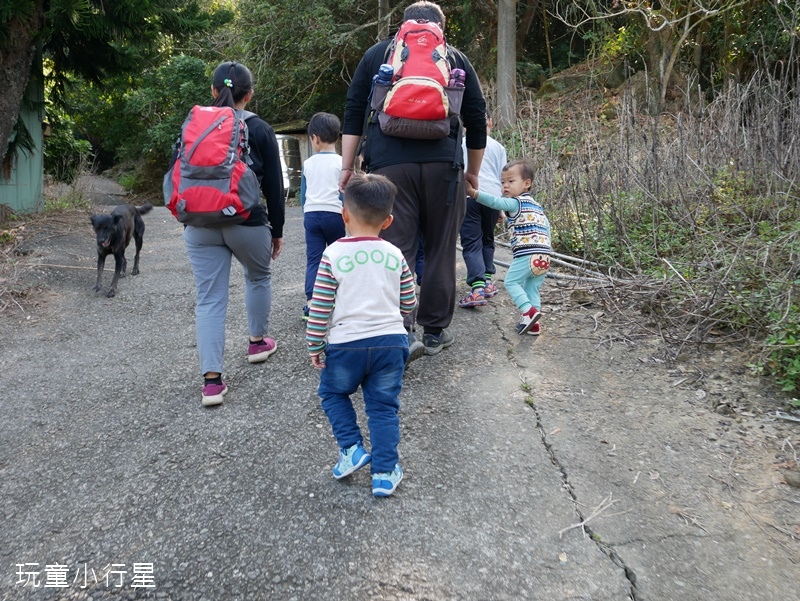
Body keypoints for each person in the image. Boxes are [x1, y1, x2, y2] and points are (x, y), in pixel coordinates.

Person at [339, 0, 487, 362]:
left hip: (388, 166)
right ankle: (435, 333)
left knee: (396, 249)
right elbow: (477, 118)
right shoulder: (454, 58)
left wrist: (346, 167)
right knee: (440, 249)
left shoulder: (379, 54)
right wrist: (473, 174)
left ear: (402, 26)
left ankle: (401, 332)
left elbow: (354, 110)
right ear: (441, 28)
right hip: (444, 167)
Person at [180, 61, 284, 406]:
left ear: (213, 91)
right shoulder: (260, 128)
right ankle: (257, 343)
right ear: (250, 94)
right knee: (258, 277)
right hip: (246, 221)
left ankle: (212, 383)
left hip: (199, 223)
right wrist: (278, 231)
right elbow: (274, 187)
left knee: (209, 299)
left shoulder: (194, 124)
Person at [306, 174, 416, 497]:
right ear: (389, 220)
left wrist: (315, 344)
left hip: (346, 345)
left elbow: (320, 307)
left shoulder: (333, 255)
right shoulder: (394, 254)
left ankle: (352, 448)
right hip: (390, 343)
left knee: (332, 394)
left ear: (344, 215)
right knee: (383, 407)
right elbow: (408, 302)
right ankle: (383, 473)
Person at [464, 160, 551, 335]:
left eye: (511, 182)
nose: (505, 186)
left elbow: (496, 203)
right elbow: (547, 227)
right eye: (503, 182)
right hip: (544, 256)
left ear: (527, 183)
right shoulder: (537, 206)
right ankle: (534, 324)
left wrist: (474, 194)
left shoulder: (516, 203)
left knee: (511, 282)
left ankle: (529, 311)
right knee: (532, 288)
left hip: (527, 255)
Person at [458, 115, 508, 308]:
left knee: (471, 242)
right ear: (490, 122)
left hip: (470, 197)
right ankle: (487, 281)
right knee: (488, 239)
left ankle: (477, 288)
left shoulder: (461, 144)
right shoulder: (498, 147)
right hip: (493, 198)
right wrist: (502, 207)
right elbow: (503, 177)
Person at [300, 112, 346, 320]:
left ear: (315, 138)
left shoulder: (308, 163)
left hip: (312, 215)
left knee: (314, 259)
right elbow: (346, 193)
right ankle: (342, 298)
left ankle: (312, 303)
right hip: (335, 215)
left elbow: (303, 194)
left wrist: (306, 211)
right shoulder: (342, 163)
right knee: (339, 257)